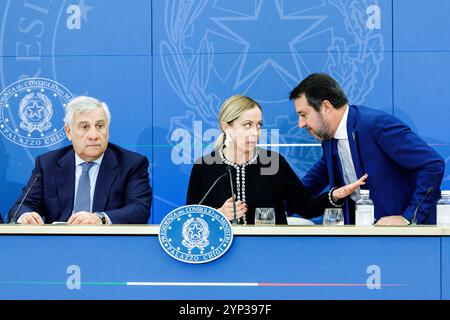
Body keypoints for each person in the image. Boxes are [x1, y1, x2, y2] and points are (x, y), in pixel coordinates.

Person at [290, 73, 445, 225]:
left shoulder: (375, 125)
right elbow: (310, 184)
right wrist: (276, 207)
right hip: (363, 239)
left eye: (304, 114)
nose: (300, 124)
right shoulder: (330, 140)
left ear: (326, 106)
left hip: (402, 239)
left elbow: (432, 164)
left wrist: (408, 217)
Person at [186, 95, 367, 224]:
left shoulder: (272, 162)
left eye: (258, 125)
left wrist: (334, 195)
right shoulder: (205, 166)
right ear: (227, 128)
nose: (255, 133)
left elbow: (305, 206)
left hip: (272, 253)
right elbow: (189, 219)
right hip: (222, 257)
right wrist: (217, 215)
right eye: (247, 125)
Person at [8, 96, 152, 225]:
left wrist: (100, 218)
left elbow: (140, 209)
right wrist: (25, 215)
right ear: (69, 132)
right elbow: (22, 206)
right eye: (84, 127)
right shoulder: (48, 164)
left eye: (100, 126)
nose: (94, 135)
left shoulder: (131, 164)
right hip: (58, 247)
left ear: (107, 130)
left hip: (110, 246)